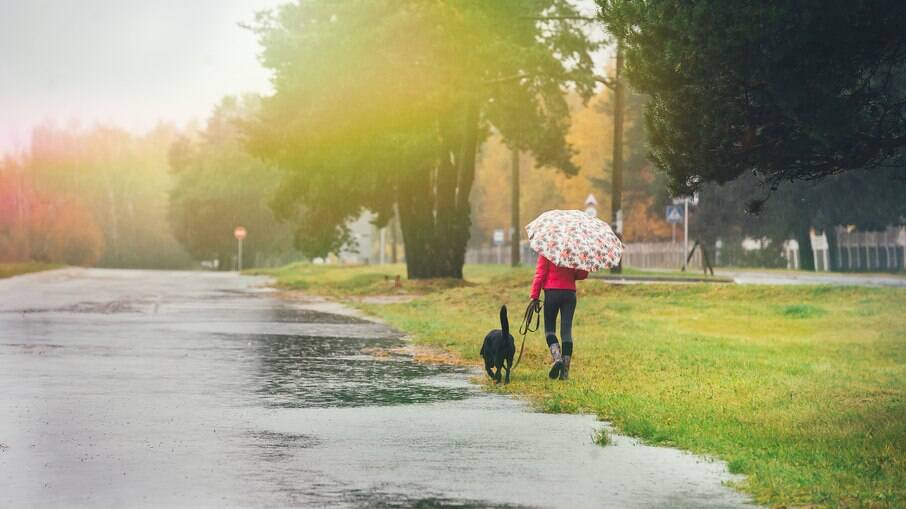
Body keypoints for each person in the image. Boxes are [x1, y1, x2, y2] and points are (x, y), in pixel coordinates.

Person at [529, 254, 588, 380]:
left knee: (549, 330)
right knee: (566, 332)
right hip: (569, 294)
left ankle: (557, 359)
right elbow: (582, 275)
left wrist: (534, 296)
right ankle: (565, 373)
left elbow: (540, 275)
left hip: (552, 293)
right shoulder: (575, 251)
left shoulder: (547, 251)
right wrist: (582, 261)